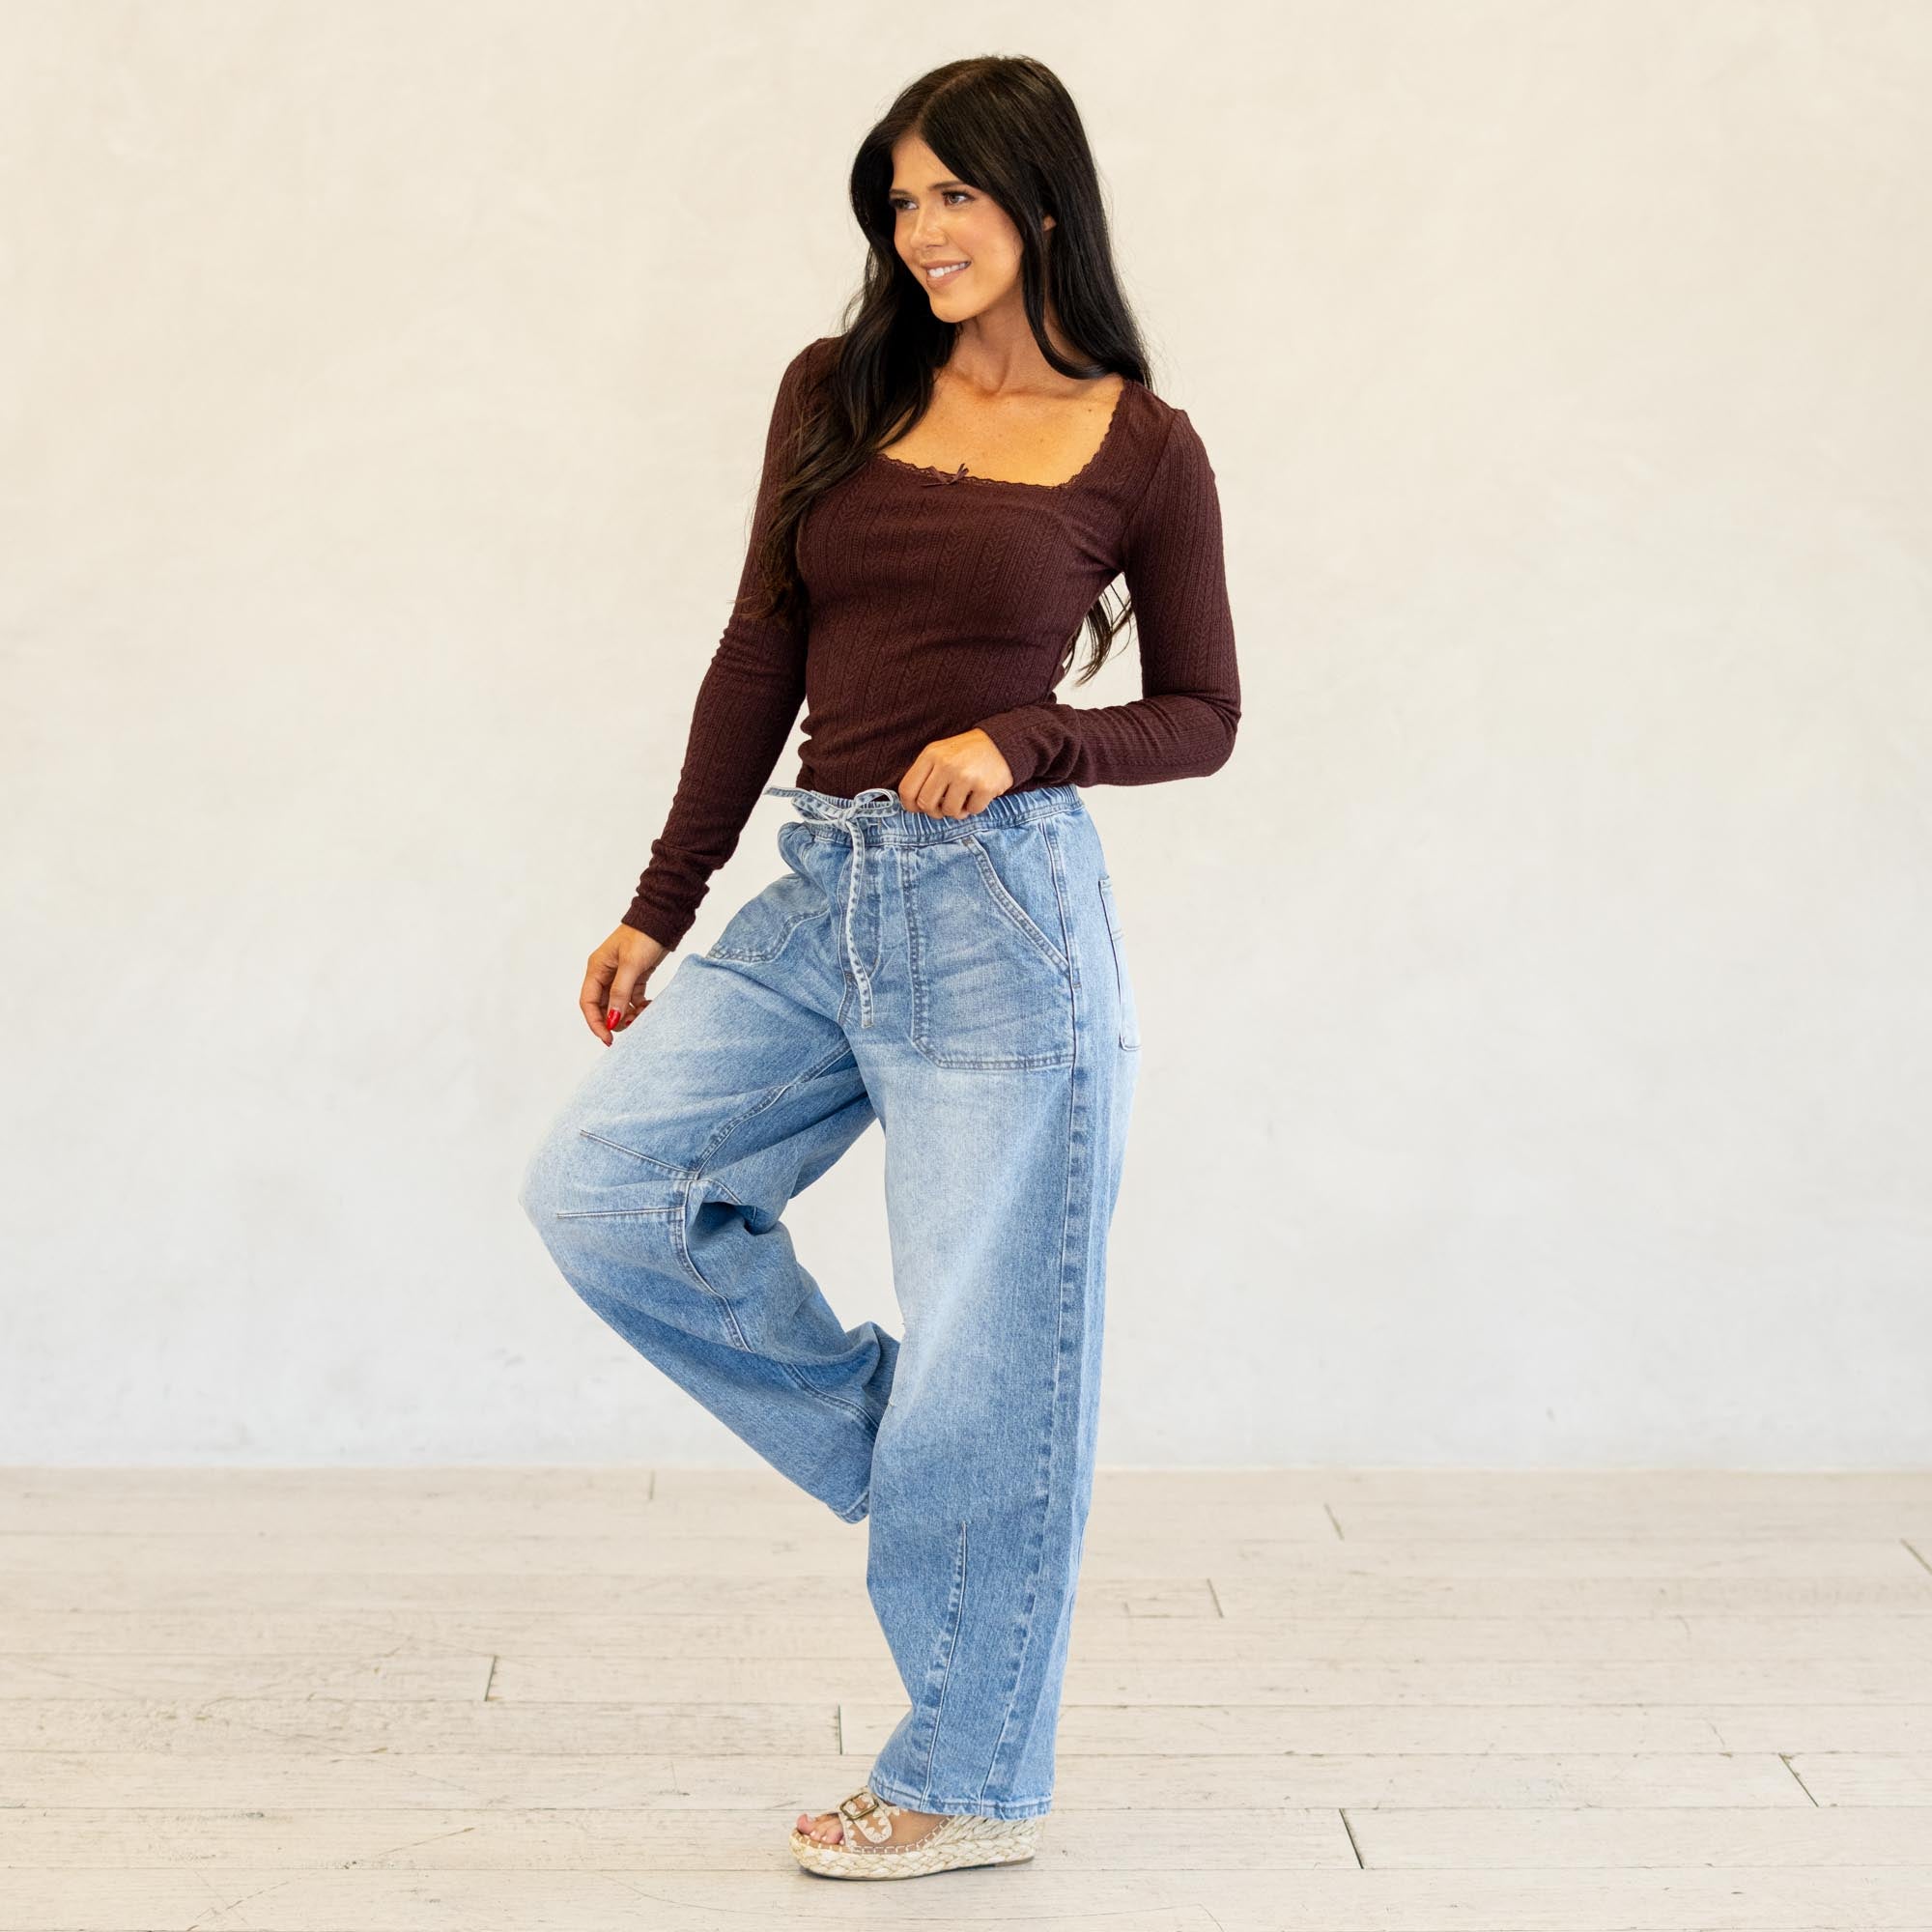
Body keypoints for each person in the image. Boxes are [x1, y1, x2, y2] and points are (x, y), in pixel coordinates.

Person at [519, 53, 1239, 1881]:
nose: (920, 231)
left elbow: (1204, 714)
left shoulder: (1141, 445)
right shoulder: (834, 388)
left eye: (953, 196)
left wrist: (1027, 738)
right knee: (605, 1193)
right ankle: (939, 1461)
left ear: (1042, 206)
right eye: (900, 200)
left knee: (1001, 1355)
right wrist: (662, 901)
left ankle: (970, 1779)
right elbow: (758, 650)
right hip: (819, 890)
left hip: (1000, 920)